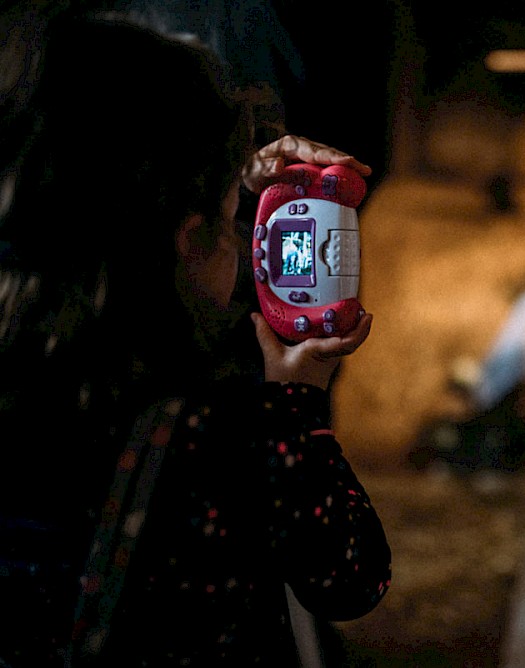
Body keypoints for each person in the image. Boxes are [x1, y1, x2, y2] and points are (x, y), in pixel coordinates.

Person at [0, 9, 389, 667]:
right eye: (233, 220)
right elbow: (352, 576)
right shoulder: (220, 431)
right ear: (189, 241)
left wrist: (218, 187)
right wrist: (294, 412)